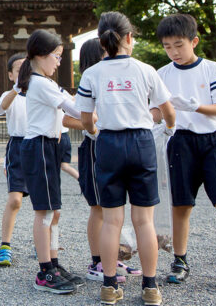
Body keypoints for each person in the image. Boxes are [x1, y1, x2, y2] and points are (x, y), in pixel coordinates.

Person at [78, 12, 175, 306]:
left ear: (100, 42)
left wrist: (96, 132)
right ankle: (150, 288)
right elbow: (168, 111)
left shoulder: (91, 74)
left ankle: (109, 287)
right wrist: (167, 128)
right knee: (144, 221)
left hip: (108, 143)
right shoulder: (146, 70)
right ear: (129, 38)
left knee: (111, 220)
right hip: (141, 142)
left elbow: (85, 120)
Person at [152, 13, 216, 287]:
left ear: (194, 41)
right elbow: (154, 111)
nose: (173, 52)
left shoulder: (211, 68)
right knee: (181, 205)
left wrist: (194, 106)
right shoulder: (161, 74)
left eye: (179, 45)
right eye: (167, 47)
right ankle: (179, 260)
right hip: (180, 141)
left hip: (215, 140)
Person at [66, 38, 140, 284]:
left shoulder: (112, 81)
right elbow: (67, 120)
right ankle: (97, 261)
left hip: (114, 147)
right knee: (98, 207)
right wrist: (95, 127)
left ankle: (109, 258)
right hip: (95, 147)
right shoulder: (90, 81)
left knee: (114, 208)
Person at [17, 29, 84, 294]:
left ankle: (53, 264)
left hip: (48, 146)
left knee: (53, 211)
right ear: (40, 56)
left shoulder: (45, 82)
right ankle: (45, 271)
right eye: (56, 56)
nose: (59, 62)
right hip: (39, 147)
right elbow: (76, 109)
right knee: (44, 211)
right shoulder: (41, 83)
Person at [0, 53, 27, 267]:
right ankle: (5, 245)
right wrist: (17, 88)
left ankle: (46, 242)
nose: (25, 74)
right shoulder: (9, 94)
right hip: (18, 147)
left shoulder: (44, 92)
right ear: (11, 75)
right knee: (15, 200)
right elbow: (3, 107)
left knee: (47, 204)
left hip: (42, 146)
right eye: (19, 70)